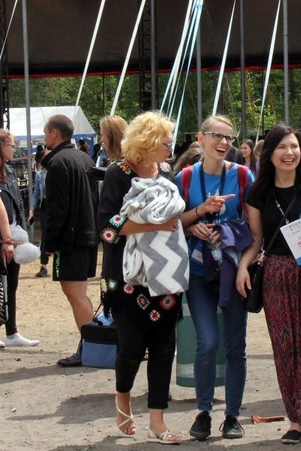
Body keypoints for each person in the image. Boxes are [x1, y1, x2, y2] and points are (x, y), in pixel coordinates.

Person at [236, 123, 301, 445]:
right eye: (283, 147)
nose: (290, 153)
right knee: (285, 349)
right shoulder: (258, 193)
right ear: (270, 153)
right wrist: (243, 267)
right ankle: (296, 419)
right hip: (277, 275)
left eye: (295, 146)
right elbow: (256, 240)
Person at [98, 111, 183, 444]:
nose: (170, 148)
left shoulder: (166, 172)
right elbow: (108, 229)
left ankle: (157, 422)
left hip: (164, 275)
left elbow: (174, 218)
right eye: (165, 142)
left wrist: (198, 213)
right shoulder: (118, 174)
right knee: (131, 347)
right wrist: (153, 226)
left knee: (164, 347)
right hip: (124, 277)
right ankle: (123, 399)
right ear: (148, 143)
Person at [176, 115, 252, 441]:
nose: (223, 143)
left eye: (229, 138)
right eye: (216, 136)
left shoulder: (244, 176)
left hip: (233, 272)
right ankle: (204, 412)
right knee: (207, 341)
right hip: (197, 271)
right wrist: (195, 218)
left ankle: (232, 416)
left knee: (235, 345)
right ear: (201, 138)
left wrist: (230, 234)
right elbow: (170, 222)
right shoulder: (185, 177)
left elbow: (256, 226)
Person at [41, 114, 98, 367]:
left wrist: (49, 243)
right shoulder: (85, 158)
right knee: (80, 294)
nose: (44, 138)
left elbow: (57, 209)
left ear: (55, 133)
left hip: (71, 240)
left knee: (75, 294)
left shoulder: (57, 163)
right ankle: (91, 345)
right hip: (88, 235)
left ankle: (91, 347)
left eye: (45, 133)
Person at [0, 129, 40, 348]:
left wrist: (22, 234)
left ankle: (12, 332)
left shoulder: (10, 172)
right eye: (12, 145)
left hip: (14, 237)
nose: (14, 149)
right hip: (4, 238)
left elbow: (19, 204)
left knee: (11, 285)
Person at [29, 146, 49, 278]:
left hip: (58, 206)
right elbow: (36, 193)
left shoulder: (59, 171)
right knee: (45, 236)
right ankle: (44, 266)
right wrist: (32, 210)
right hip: (45, 206)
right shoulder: (40, 175)